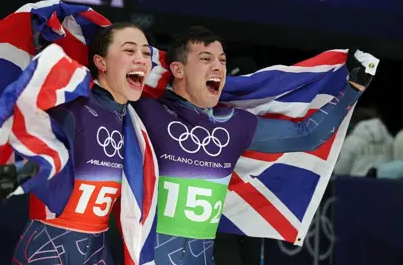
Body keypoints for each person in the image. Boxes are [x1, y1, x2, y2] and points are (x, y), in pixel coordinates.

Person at [130, 26, 374, 264]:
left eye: (222, 60)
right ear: (177, 69)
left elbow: (308, 136)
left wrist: (354, 88)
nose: (218, 66)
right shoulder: (145, 112)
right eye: (205, 58)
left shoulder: (234, 125)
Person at [0, 22, 152, 265]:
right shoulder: (72, 108)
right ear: (101, 63)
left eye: (146, 53)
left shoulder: (136, 125)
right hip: (46, 247)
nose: (141, 59)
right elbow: (40, 151)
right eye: (129, 51)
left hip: (98, 251)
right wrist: (17, 174)